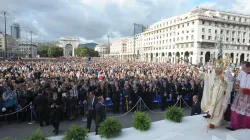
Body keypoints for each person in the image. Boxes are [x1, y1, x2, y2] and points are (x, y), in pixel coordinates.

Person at [198, 59, 233, 129]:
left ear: (221, 69)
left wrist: (223, 81)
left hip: (220, 95)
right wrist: (198, 72)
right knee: (212, 108)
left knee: (218, 109)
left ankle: (213, 123)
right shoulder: (213, 73)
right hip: (213, 94)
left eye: (218, 69)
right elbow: (206, 76)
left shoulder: (225, 75)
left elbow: (228, 85)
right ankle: (217, 121)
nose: (216, 71)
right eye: (216, 69)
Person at [227, 62, 250, 131]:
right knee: (236, 110)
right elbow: (238, 81)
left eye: (244, 68)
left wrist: (244, 90)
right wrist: (236, 85)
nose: (243, 69)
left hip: (248, 96)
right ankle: (234, 125)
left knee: (246, 112)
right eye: (242, 68)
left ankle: (245, 126)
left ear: (249, 67)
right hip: (240, 94)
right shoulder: (242, 73)